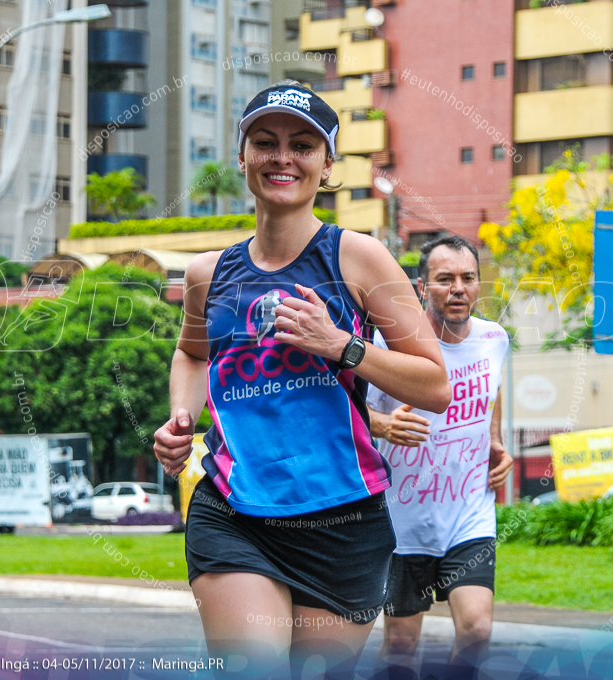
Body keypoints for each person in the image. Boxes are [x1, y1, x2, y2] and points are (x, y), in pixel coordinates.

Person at [153, 81, 451, 679]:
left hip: (342, 522)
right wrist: (182, 419)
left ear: (327, 164)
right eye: (265, 143)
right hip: (234, 510)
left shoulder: (358, 258)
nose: (282, 158)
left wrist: (341, 345)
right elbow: (191, 355)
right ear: (242, 158)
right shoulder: (207, 274)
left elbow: (433, 385)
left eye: (302, 145)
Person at [367, 235, 513, 679]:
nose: (458, 288)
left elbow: (494, 389)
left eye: (468, 278)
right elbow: (347, 406)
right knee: (401, 644)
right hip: (403, 523)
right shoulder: (388, 344)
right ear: (421, 287)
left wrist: (495, 441)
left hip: (469, 516)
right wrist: (383, 425)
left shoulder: (494, 338)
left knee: (477, 630)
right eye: (445, 278)